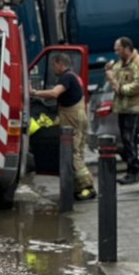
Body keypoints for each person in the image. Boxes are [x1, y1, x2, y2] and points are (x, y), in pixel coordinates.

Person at [31, 52, 96, 200]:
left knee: (74, 154)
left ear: (60, 64)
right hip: (76, 118)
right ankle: (78, 187)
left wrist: (34, 92)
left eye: (54, 65)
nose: (53, 69)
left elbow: (55, 93)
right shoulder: (73, 76)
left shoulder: (66, 77)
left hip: (74, 120)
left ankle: (88, 188)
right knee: (77, 153)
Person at [105, 37, 139, 185]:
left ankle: (134, 172)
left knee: (130, 139)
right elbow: (115, 80)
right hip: (123, 108)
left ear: (126, 48)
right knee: (126, 140)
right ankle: (131, 170)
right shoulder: (120, 63)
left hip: (135, 108)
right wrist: (110, 73)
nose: (116, 52)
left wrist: (121, 89)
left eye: (118, 49)